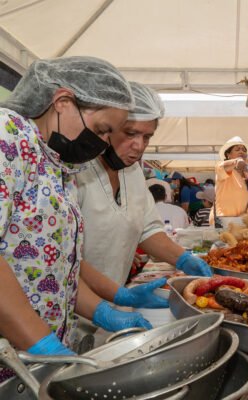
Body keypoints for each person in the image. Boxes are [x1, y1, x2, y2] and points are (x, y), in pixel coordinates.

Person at [0, 57, 154, 378]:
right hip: (15, 354)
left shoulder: (59, 165)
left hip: (32, 361)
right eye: (101, 130)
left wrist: (100, 309)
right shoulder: (7, 137)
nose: (101, 146)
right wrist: (43, 345)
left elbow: (53, 262)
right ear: (63, 102)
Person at [76, 82, 212, 307]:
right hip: (75, 303)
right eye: (130, 133)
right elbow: (65, 260)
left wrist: (183, 258)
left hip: (112, 299)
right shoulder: (78, 171)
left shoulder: (132, 173)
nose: (139, 146)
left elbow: (148, 229)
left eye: (147, 137)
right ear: (107, 126)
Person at [213, 136, 248, 227]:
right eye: (237, 149)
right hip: (224, 222)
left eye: (244, 150)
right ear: (228, 155)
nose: (241, 152)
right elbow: (223, 166)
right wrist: (237, 161)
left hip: (243, 224)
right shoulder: (222, 168)